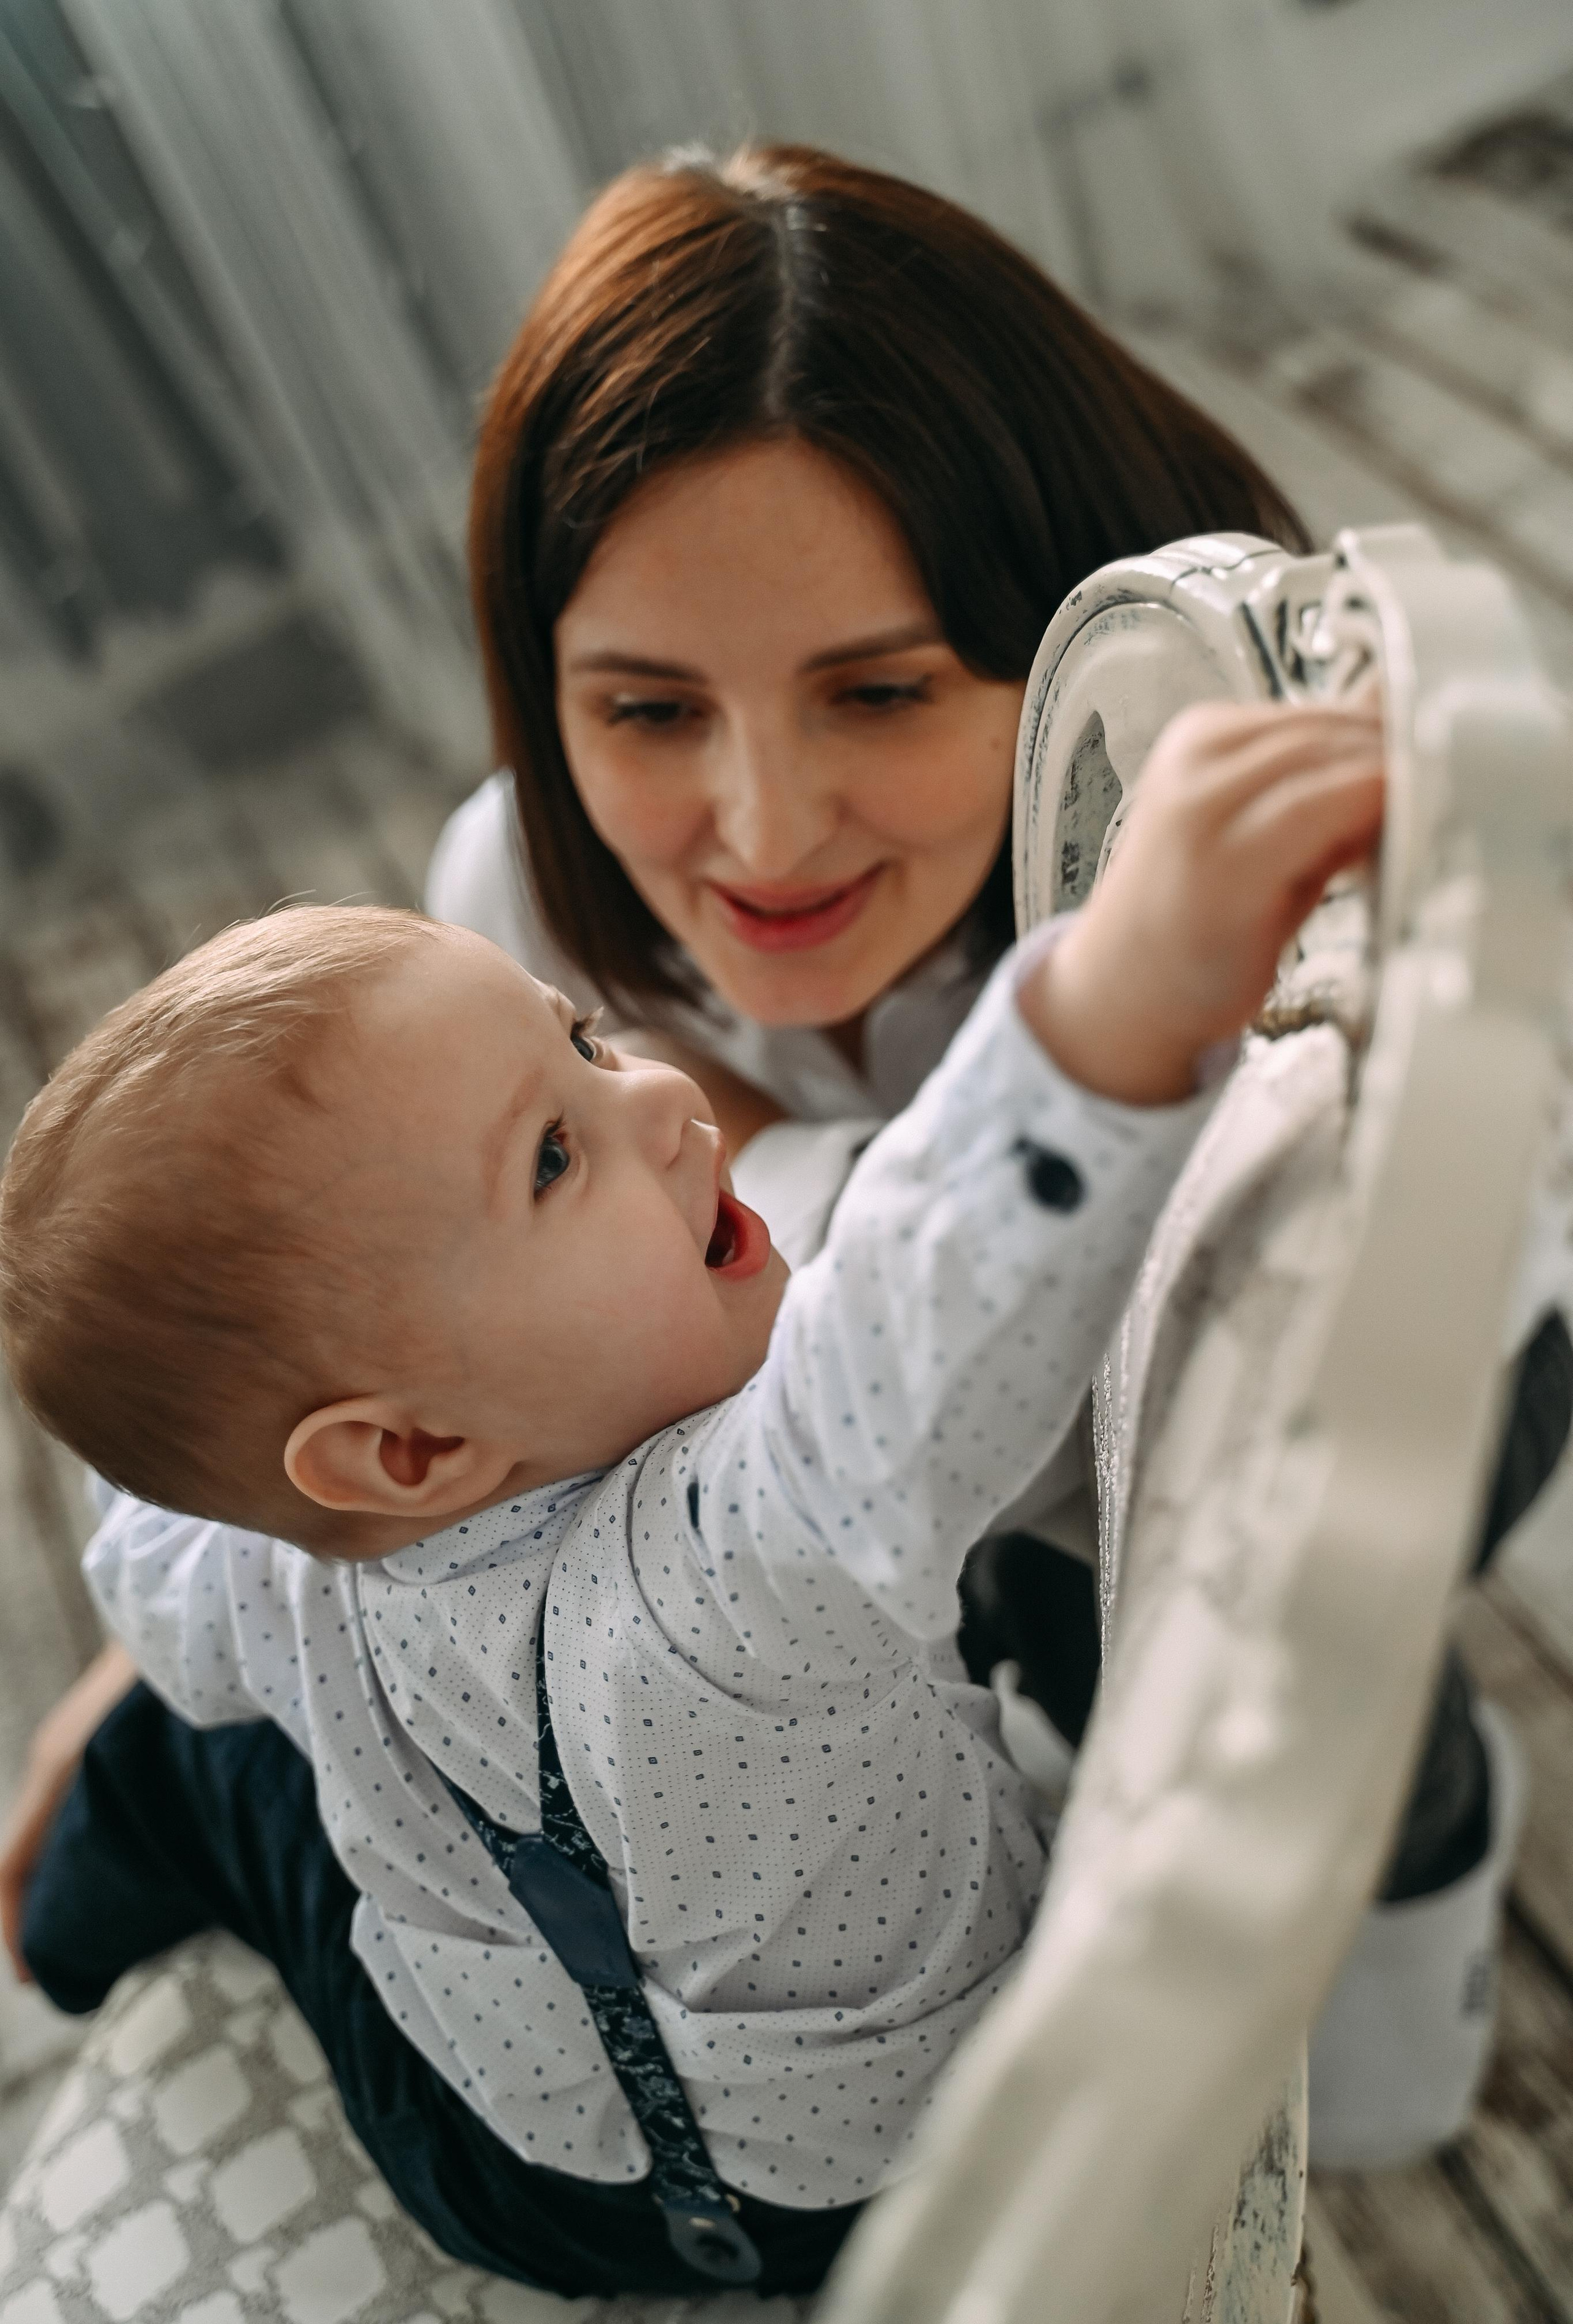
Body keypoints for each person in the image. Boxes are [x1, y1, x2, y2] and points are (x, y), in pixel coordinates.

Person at [2, 139, 1564, 2175]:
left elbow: (934, 1341)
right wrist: (174, 1608)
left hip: (1376, 1351)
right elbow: (376, 1304)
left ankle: (1416, 1916)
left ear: (1064, 633)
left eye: (882, 690)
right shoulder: (514, 899)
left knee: (1276, 1714)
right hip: (869, 1559)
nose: (757, 829)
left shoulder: (1223, 974)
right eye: (647, 708)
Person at [0, 690, 1381, 2292]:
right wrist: (1123, 991)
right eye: (554, 1155)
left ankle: (57, 1926)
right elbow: (913, 1336)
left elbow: (154, 1561)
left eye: (580, 1041)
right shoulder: (733, 1583)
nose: (661, 1097)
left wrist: (213, 1423)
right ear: (410, 1450)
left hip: (523, 2154)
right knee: (197, 1735)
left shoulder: (272, 1572)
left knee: (189, 1753)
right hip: (904, 2166)